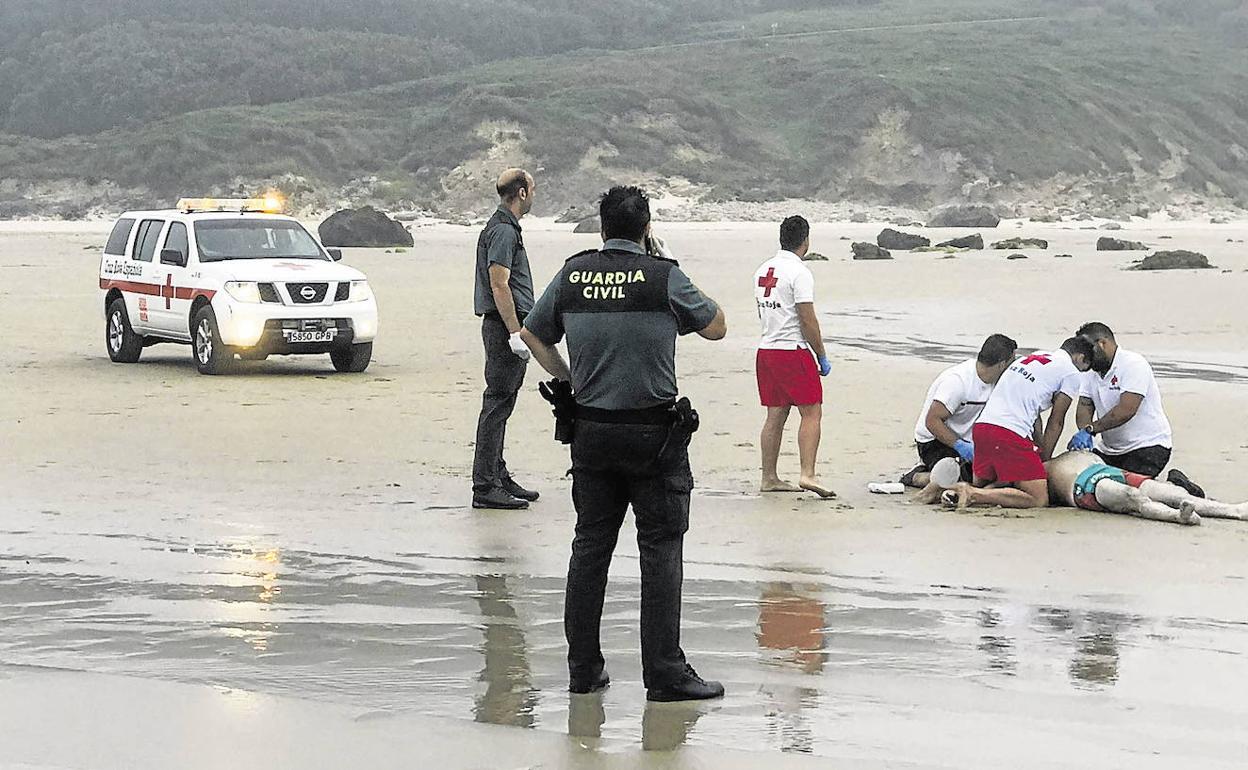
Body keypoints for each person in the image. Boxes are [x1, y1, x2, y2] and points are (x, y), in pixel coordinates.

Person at [520, 185, 728, 702]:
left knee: (590, 548)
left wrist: (568, 380)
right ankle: (664, 673)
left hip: (590, 430)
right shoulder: (663, 277)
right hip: (654, 436)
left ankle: (583, 670)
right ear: (647, 226)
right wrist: (663, 270)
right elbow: (718, 327)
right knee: (660, 549)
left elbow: (532, 333)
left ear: (601, 227)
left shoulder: (573, 273)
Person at [951, 338, 1095, 509]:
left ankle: (948, 491)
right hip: (1009, 433)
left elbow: (1035, 417)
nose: (1081, 373)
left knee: (997, 484)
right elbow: (1056, 421)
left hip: (983, 427)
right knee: (1037, 498)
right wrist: (1045, 461)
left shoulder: (1034, 357)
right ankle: (972, 494)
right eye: (1084, 369)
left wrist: (1038, 451)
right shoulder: (1071, 373)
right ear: (1080, 358)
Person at [1067, 322, 1204, 496]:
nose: (1085, 356)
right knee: (1088, 486)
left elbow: (1126, 410)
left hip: (1148, 447)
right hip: (1110, 450)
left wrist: (1091, 429)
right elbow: (1085, 405)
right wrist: (1083, 432)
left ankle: (1179, 486)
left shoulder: (1133, 364)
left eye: (1088, 349)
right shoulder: (1090, 373)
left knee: (1130, 493)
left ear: (1102, 343)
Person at [752, 215, 835, 498]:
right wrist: (821, 355)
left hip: (766, 349)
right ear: (806, 240)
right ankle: (807, 473)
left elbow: (763, 312)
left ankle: (769, 477)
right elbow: (807, 318)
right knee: (811, 411)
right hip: (792, 351)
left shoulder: (762, 270)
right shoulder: (799, 273)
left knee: (775, 414)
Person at [471, 168, 539, 510]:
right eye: (532, 187)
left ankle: (497, 473)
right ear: (522, 193)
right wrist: (515, 332)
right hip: (502, 325)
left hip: (508, 323)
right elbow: (500, 283)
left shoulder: (505, 228)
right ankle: (485, 485)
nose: (535, 192)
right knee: (497, 403)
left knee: (504, 401)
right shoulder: (502, 232)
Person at [902, 334, 1018, 489]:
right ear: (1002, 364)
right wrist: (960, 446)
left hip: (968, 438)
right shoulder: (958, 382)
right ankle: (917, 477)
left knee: (997, 473)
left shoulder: (999, 382)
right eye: (1013, 361)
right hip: (934, 440)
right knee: (963, 479)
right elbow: (932, 421)